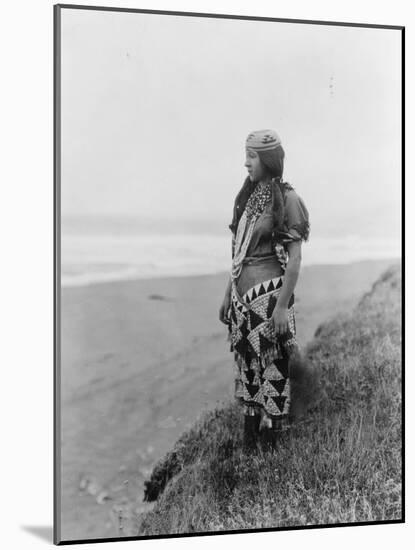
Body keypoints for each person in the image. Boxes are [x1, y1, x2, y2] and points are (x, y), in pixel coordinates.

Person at [219, 129, 310, 451]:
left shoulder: (288, 199)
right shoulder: (248, 197)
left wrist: (282, 307)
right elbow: (239, 254)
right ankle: (250, 445)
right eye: (246, 155)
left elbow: (295, 259)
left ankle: (273, 451)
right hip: (243, 303)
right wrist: (227, 295)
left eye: (252, 156)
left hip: (270, 302)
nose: (246, 163)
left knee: (273, 372)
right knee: (248, 372)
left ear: (269, 159)